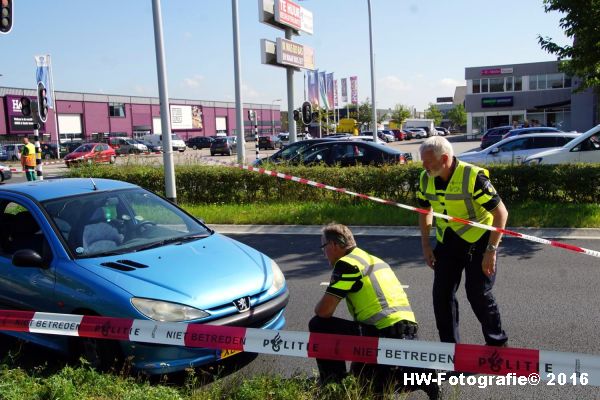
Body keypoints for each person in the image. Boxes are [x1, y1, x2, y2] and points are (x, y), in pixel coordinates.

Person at [309, 223, 439, 399]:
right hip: (407, 331)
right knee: (365, 385)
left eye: (323, 247)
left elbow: (324, 311)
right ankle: (418, 374)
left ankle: (333, 383)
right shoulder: (374, 260)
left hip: (381, 333)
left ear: (334, 245)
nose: (323, 253)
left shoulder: (347, 265)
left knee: (319, 324)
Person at [417, 136, 508, 348]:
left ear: (445, 159)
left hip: (479, 240)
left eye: (427, 161)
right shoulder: (425, 178)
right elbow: (424, 211)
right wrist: (426, 245)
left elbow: (501, 214)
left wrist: (491, 251)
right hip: (447, 240)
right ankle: (450, 349)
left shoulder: (472, 176)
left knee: (477, 293)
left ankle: (497, 346)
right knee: (441, 296)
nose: (423, 166)